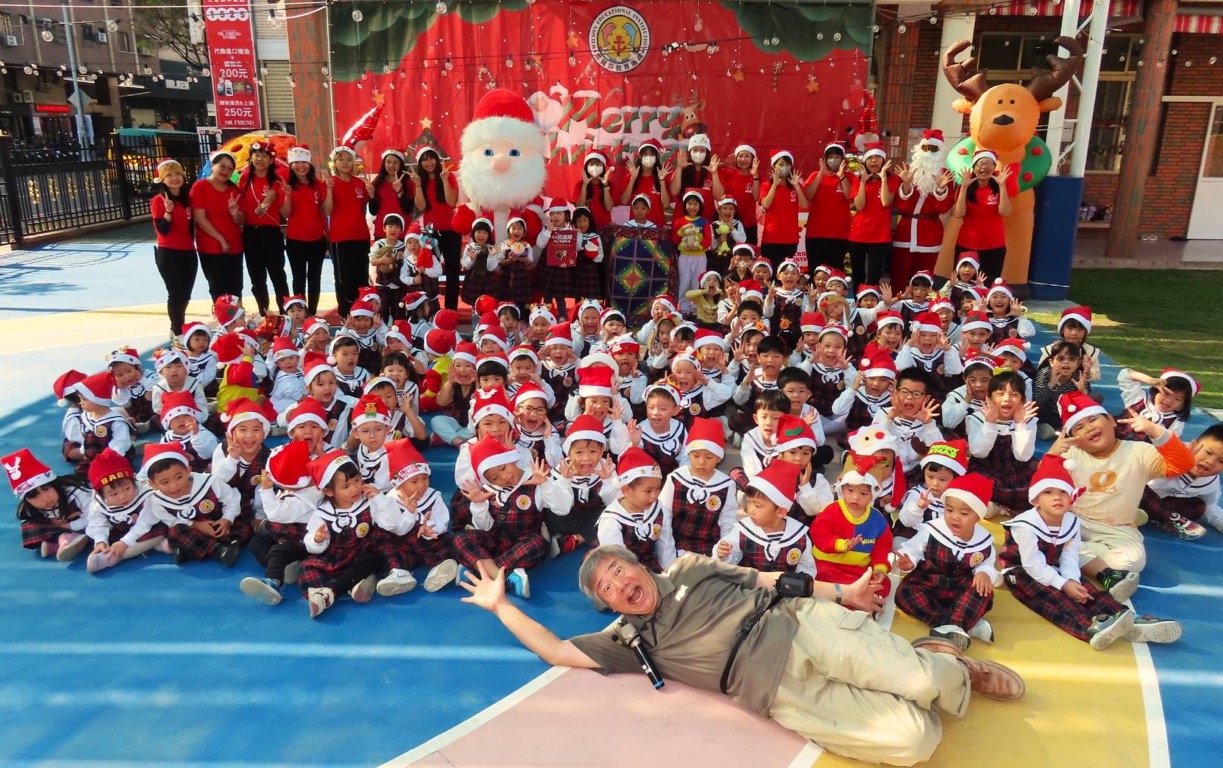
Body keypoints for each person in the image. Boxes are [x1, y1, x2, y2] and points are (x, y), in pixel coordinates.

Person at [460, 545, 1024, 766]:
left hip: (797, 627)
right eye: (606, 588)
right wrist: (500, 605)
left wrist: (840, 593)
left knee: (920, 682)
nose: (618, 584)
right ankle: (924, 672)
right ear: (608, 605)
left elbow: (765, 578)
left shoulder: (688, 567)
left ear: (637, 565)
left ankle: (945, 664)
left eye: (617, 570)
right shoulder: (630, 641)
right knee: (914, 743)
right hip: (776, 693)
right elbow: (556, 650)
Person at [999, 453, 1182, 650]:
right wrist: (1063, 584)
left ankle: (1129, 620)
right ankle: (1089, 627)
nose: (1057, 497)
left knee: (1087, 592)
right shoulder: (1026, 526)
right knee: (1053, 598)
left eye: (1063, 492)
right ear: (1036, 499)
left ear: (1071, 499)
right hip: (1022, 571)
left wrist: (1072, 580)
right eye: (1048, 492)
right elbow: (1032, 564)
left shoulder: (1071, 522)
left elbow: (1069, 556)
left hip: (1054, 566)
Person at [895, 472, 998, 652]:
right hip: (929, 581)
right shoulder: (933, 530)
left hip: (961, 586)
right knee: (904, 593)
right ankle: (963, 625)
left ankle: (955, 626)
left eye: (964, 513)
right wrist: (908, 560)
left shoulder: (983, 542)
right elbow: (912, 549)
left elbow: (987, 563)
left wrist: (984, 572)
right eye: (949, 510)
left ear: (978, 516)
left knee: (982, 591)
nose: (954, 517)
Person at [890, 130, 955, 288]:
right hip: (905, 231)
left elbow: (943, 207)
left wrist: (940, 189)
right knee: (899, 274)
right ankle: (895, 301)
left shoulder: (945, 175)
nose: (928, 153)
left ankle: (922, 302)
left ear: (940, 151)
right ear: (919, 149)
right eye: (925, 148)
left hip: (930, 234)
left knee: (925, 276)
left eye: (933, 149)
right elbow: (899, 205)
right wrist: (906, 184)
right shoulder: (907, 171)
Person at [237, 140, 289, 316]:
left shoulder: (277, 179)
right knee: (257, 278)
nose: (260, 159)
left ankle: (285, 313)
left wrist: (265, 205)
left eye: (264, 156)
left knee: (278, 275)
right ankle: (264, 313)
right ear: (251, 158)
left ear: (271, 159)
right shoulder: (244, 178)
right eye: (256, 155)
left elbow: (273, 194)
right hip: (250, 232)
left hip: (271, 233)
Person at [150, 159, 197, 339]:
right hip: (169, 253)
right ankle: (176, 330)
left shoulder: (187, 199)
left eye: (178, 174)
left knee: (186, 294)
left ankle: (179, 326)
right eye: (169, 175)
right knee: (176, 293)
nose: (175, 178)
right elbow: (162, 229)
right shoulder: (159, 200)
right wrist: (168, 212)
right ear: (162, 179)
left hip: (189, 252)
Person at [324, 145, 372, 320]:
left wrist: (372, 193)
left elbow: (365, 206)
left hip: (361, 236)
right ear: (334, 162)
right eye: (341, 159)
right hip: (340, 238)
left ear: (354, 162)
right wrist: (329, 190)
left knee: (361, 276)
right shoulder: (330, 183)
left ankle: (362, 314)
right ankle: (346, 314)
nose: (345, 163)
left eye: (348, 159)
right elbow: (327, 210)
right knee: (344, 278)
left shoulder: (360, 184)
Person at [411, 146, 461, 310]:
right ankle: (430, 309)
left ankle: (451, 310)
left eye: (431, 158)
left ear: (437, 159)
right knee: (428, 271)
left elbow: (452, 202)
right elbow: (421, 206)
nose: (429, 163)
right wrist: (418, 185)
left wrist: (445, 180)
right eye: (424, 160)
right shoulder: (420, 181)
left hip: (452, 231)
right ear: (420, 163)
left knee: (452, 273)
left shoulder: (448, 176)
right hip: (430, 234)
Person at [190, 150, 244, 300]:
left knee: (236, 288)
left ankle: (236, 314)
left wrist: (235, 213)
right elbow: (200, 219)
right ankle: (221, 314)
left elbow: (241, 221)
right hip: (210, 247)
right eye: (222, 166)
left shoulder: (234, 190)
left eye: (230, 169)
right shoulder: (200, 187)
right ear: (212, 165)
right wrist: (221, 240)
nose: (226, 171)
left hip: (234, 246)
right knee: (217, 288)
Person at [282, 145, 329, 315]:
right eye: (297, 162)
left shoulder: (319, 185)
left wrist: (330, 189)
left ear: (310, 164)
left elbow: (326, 211)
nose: (301, 166)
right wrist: (287, 195)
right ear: (291, 165)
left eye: (304, 162)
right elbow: (285, 213)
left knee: (315, 278)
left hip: (317, 240)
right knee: (298, 279)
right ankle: (299, 313)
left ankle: (312, 313)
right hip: (295, 240)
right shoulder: (286, 186)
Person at [953, 150, 1013, 282]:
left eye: (989, 163)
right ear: (974, 167)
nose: (984, 167)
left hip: (994, 246)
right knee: (963, 285)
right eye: (980, 163)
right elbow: (959, 214)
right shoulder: (966, 187)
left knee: (988, 284)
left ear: (994, 167)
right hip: (967, 244)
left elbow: (1005, 212)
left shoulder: (999, 187)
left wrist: (1002, 186)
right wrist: (964, 187)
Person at [847, 142, 899, 288]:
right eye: (870, 158)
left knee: (873, 277)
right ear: (865, 161)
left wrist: (883, 179)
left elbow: (885, 201)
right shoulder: (858, 179)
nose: (874, 160)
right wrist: (863, 182)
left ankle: (871, 301)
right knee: (858, 275)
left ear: (883, 160)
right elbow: (859, 206)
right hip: (858, 235)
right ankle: (858, 301)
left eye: (877, 157)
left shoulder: (892, 179)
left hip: (880, 236)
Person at [802, 143, 852, 271]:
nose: (833, 160)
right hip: (815, 234)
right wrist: (820, 174)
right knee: (815, 271)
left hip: (839, 234)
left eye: (837, 157)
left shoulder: (849, 177)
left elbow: (851, 197)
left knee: (835, 272)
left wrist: (842, 176)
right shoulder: (815, 175)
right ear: (824, 159)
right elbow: (808, 195)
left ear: (843, 160)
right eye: (830, 157)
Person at [757, 150, 807, 269]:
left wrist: (796, 185)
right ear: (774, 166)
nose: (784, 167)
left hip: (790, 238)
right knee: (771, 271)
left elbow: (804, 204)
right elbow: (766, 204)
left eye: (787, 164)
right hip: (771, 238)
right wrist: (775, 184)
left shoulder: (795, 186)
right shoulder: (766, 185)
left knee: (786, 271)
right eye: (780, 164)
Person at [618, 138, 671, 230]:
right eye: (645, 154)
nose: (648, 157)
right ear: (640, 156)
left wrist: (662, 180)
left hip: (657, 226)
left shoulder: (662, 176)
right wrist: (633, 179)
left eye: (652, 154)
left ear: (657, 157)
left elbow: (666, 205)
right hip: (635, 227)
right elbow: (624, 201)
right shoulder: (630, 177)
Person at [713, 144, 760, 245]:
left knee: (749, 252)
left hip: (749, 224)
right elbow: (714, 167)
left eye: (747, 156)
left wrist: (755, 175)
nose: (743, 159)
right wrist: (724, 163)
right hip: (730, 223)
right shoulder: (728, 173)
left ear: (753, 159)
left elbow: (756, 197)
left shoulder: (756, 177)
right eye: (740, 156)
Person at [367, 148, 414, 241]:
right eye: (388, 162)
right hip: (382, 232)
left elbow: (408, 209)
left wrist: (399, 192)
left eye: (396, 162)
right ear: (384, 163)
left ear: (401, 164)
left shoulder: (408, 183)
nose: (391, 165)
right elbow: (373, 211)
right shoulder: (377, 183)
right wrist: (372, 195)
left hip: (403, 231)